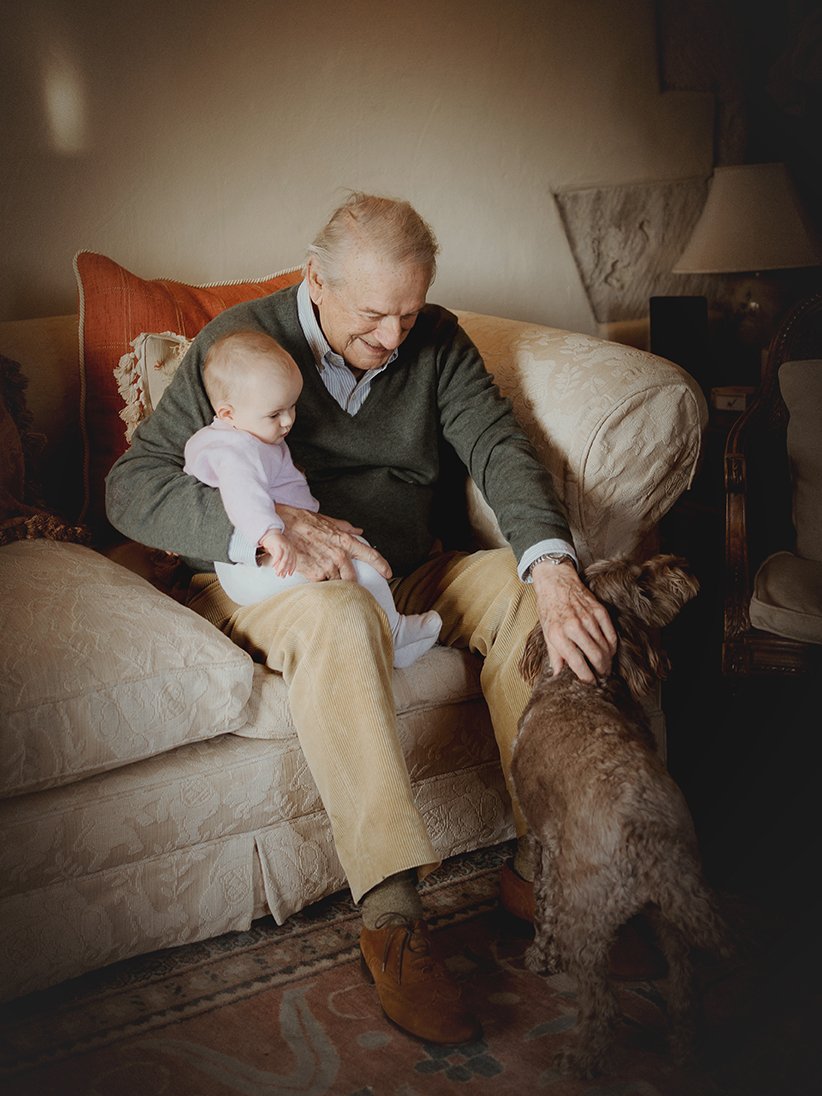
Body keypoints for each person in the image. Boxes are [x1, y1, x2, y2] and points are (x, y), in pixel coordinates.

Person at [106, 192, 618, 1046]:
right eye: (371, 316)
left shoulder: (437, 340)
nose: (391, 337)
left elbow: (497, 447)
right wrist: (272, 531)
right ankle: (391, 919)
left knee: (537, 597)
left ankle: (545, 866)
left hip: (410, 567)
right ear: (315, 280)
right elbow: (134, 485)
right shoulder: (239, 343)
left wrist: (557, 565)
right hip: (284, 584)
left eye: (406, 315)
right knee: (343, 615)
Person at [183, 328, 442, 667]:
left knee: (348, 559)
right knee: (364, 571)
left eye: (292, 407)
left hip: (250, 566)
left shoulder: (230, 436)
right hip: (262, 564)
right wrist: (270, 534)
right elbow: (241, 494)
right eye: (275, 414)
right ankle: (395, 635)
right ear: (228, 413)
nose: (288, 421)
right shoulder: (239, 451)